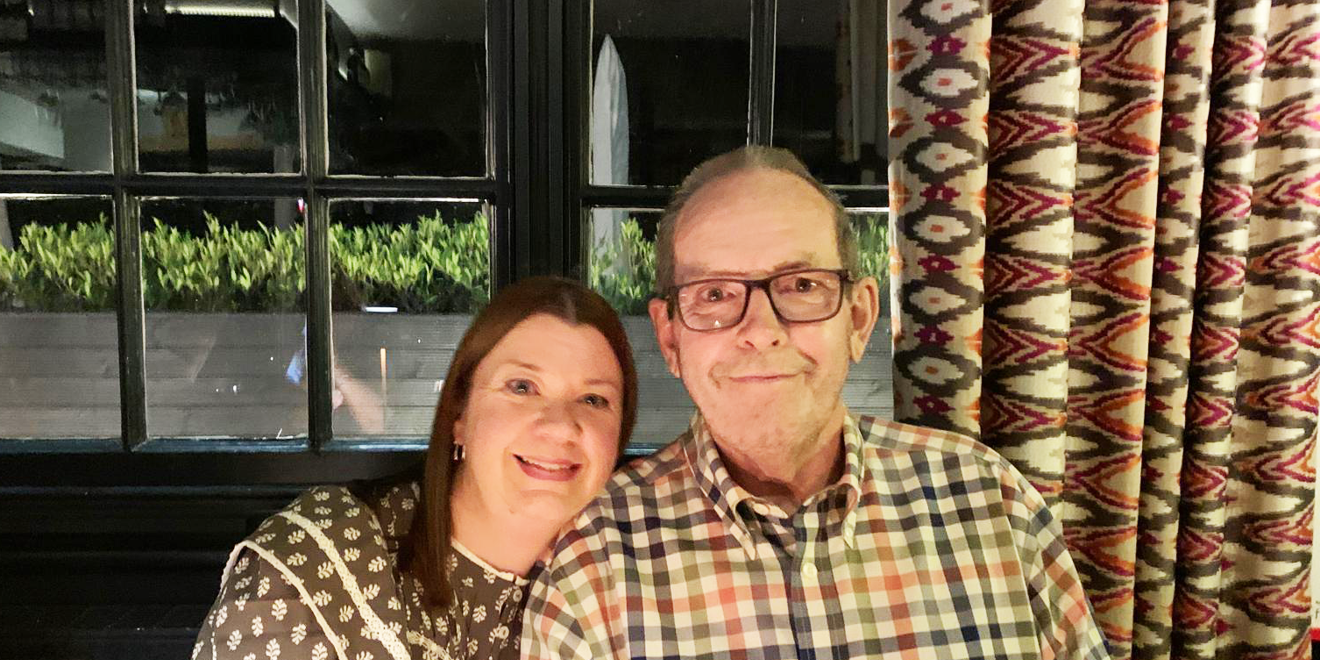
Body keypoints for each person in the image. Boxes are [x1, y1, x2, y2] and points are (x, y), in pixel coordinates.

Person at [522, 147, 1111, 659]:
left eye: (802, 286)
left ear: (858, 318)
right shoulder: (592, 564)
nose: (760, 329)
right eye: (715, 294)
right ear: (671, 337)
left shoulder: (993, 504)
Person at [193, 276, 638, 660]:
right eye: (522, 387)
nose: (560, 426)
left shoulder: (626, 589)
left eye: (594, 399)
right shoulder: (313, 566)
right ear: (458, 416)